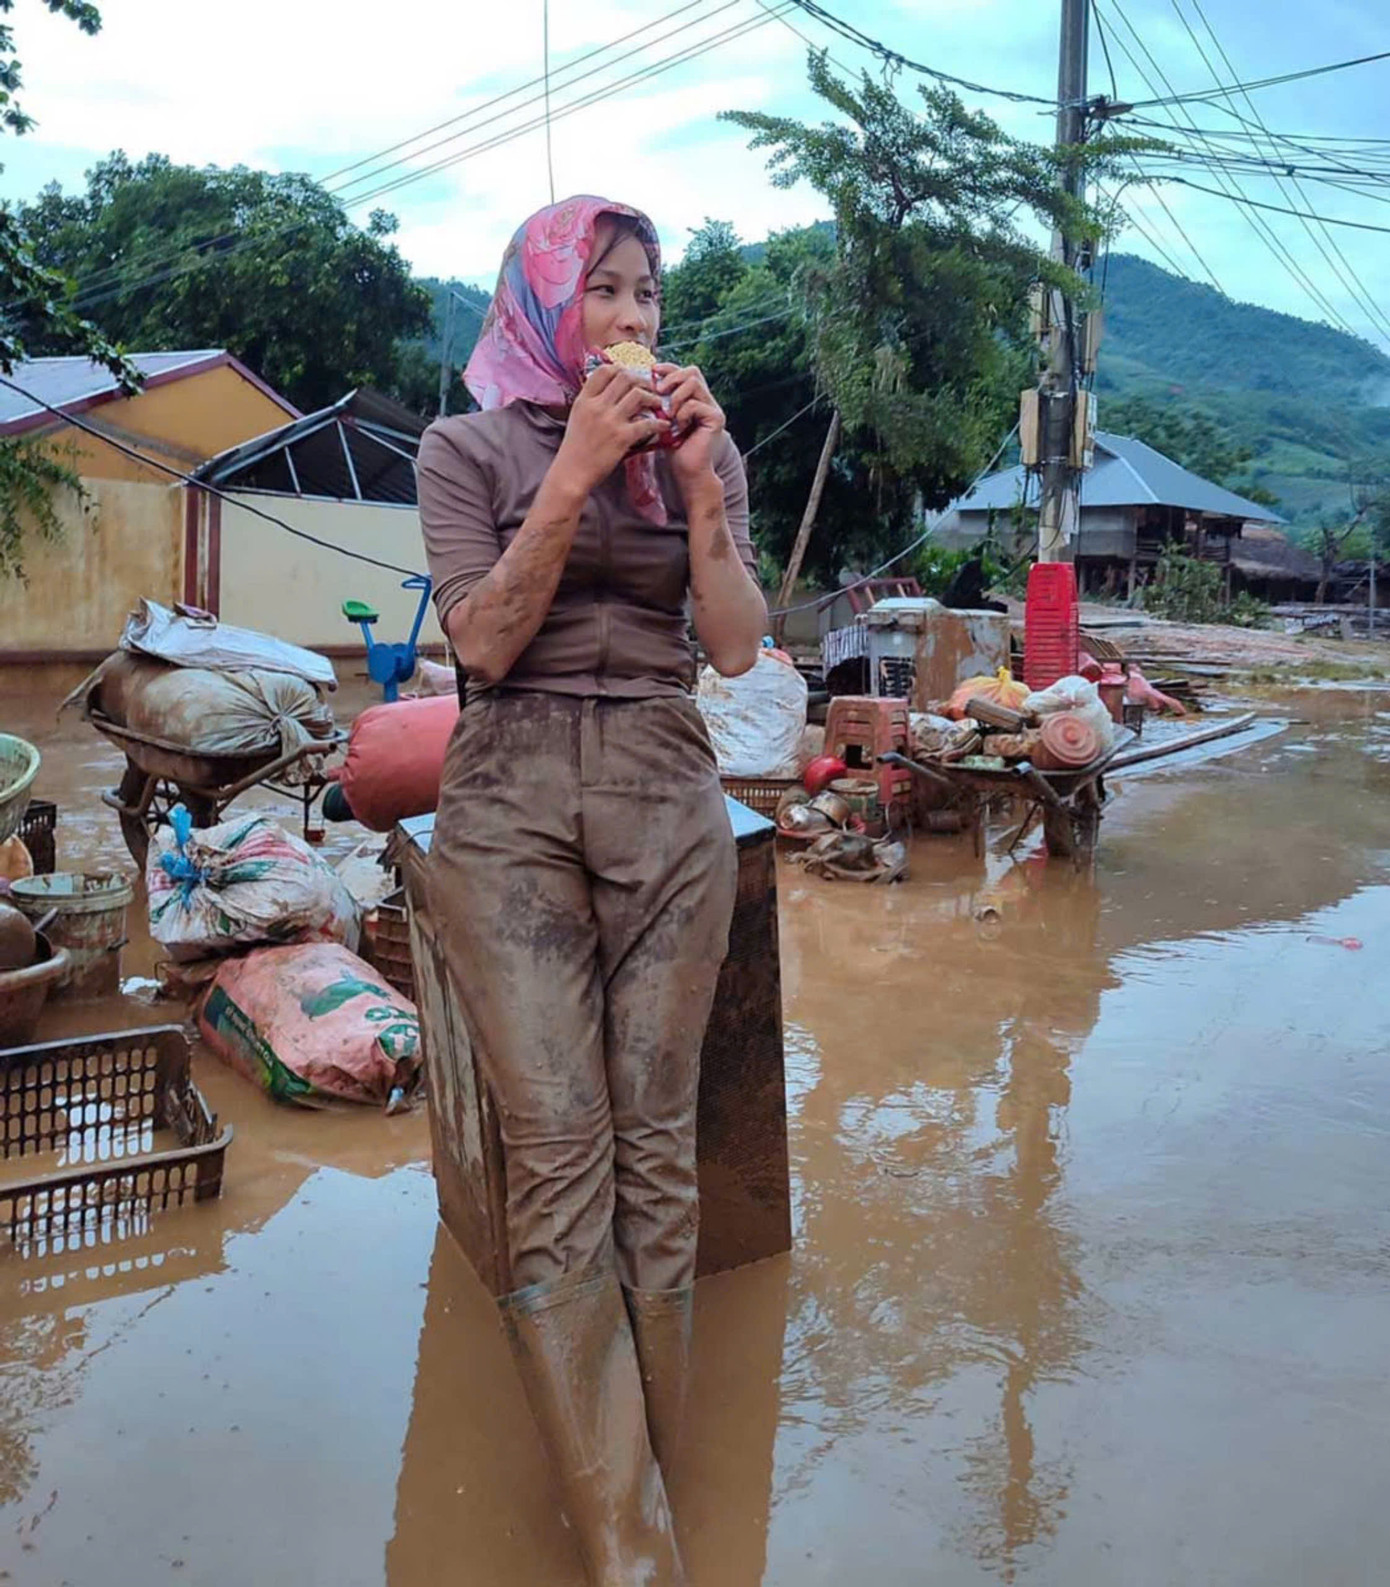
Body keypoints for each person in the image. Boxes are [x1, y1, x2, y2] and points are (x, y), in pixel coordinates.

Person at [415, 195, 767, 1585]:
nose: (632, 319)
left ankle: (663, 1478)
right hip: (506, 792)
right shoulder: (466, 445)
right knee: (559, 1161)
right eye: (605, 291)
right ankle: (633, 1556)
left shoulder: (704, 453)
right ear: (547, 303)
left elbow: (735, 649)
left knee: (655, 1151)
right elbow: (485, 642)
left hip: (665, 780)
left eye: (649, 296)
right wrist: (572, 471)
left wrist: (694, 486)